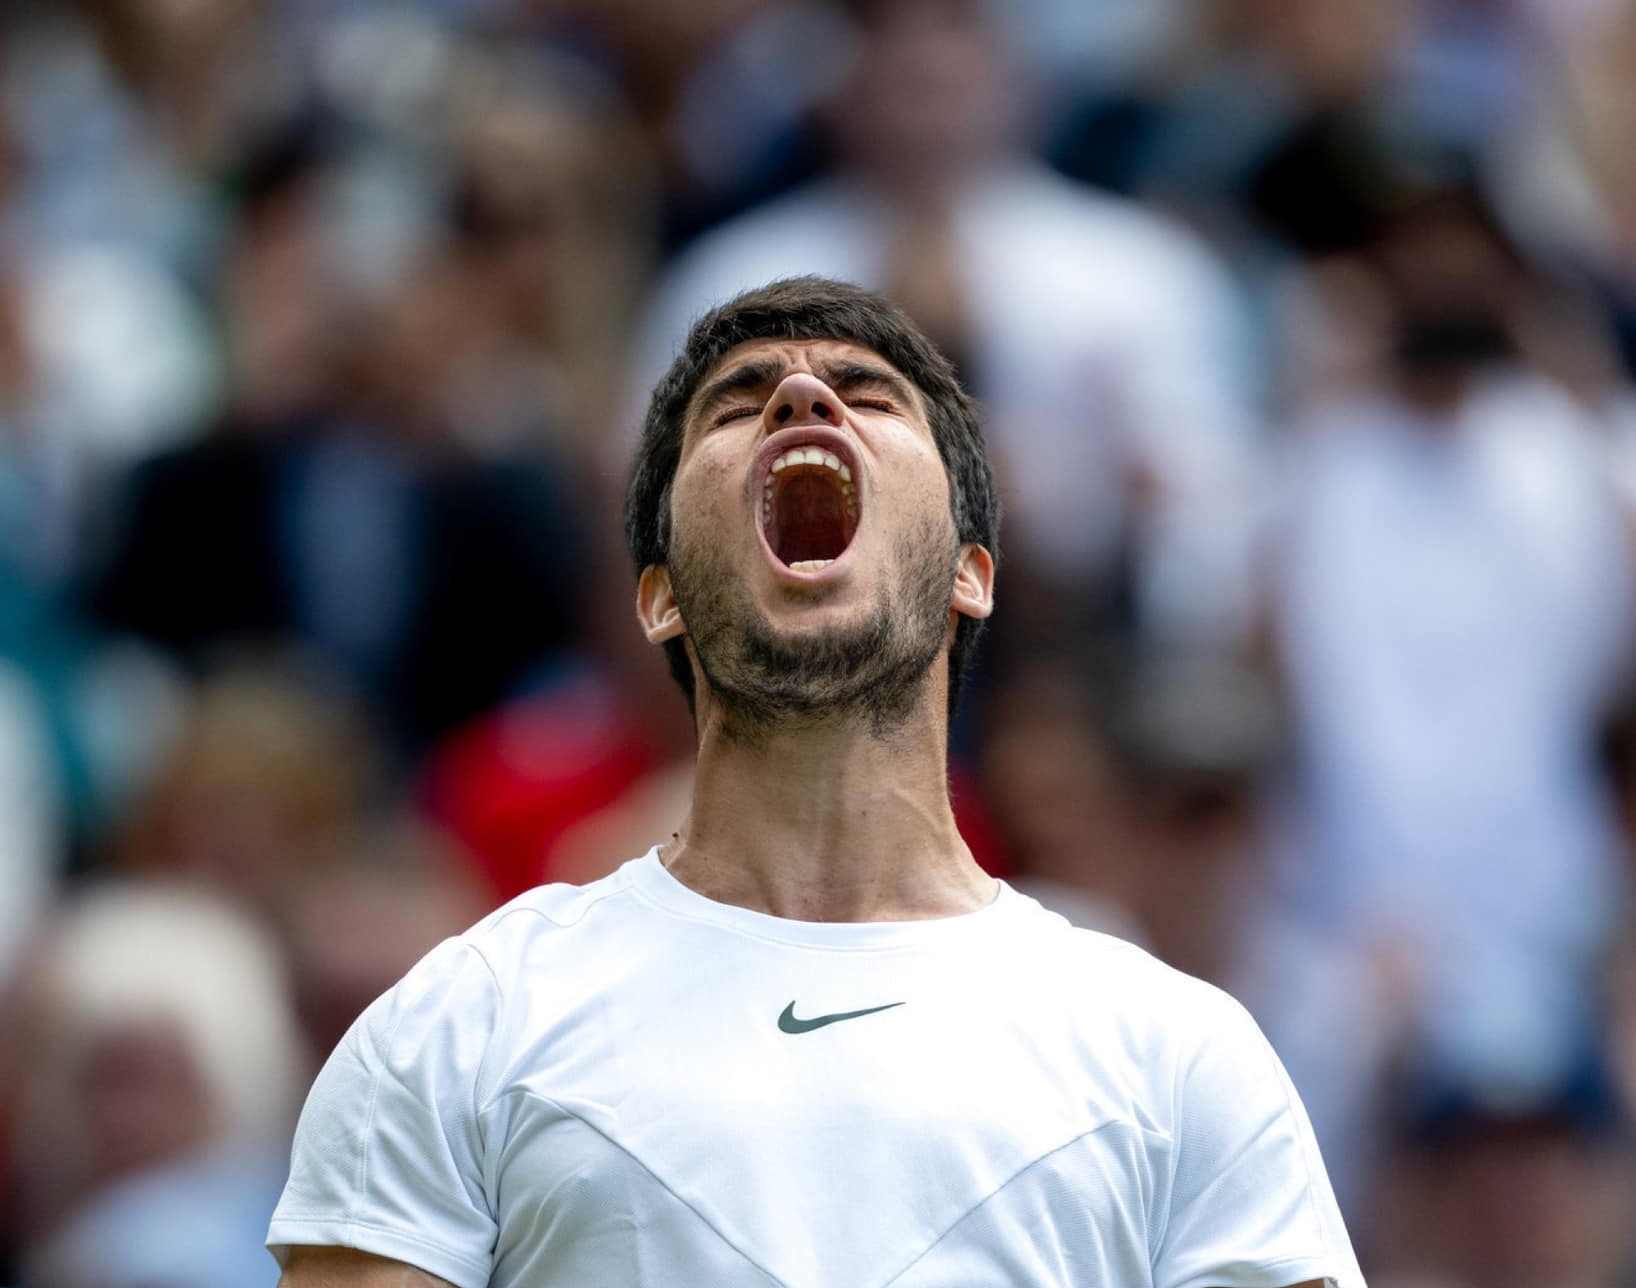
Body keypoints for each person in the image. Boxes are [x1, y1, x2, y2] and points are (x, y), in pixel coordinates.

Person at [267, 277, 1363, 1287]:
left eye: (868, 397)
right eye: (738, 404)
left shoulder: (1174, 1053)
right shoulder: (462, 1023)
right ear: (660, 599)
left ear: (970, 576)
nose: (801, 396)